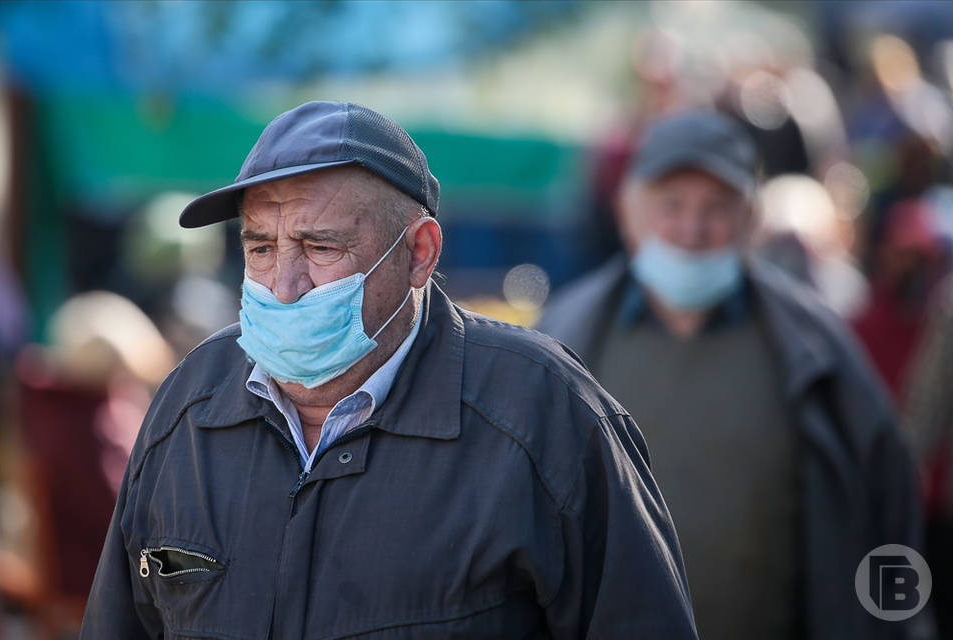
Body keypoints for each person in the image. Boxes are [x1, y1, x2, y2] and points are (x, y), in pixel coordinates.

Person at [79, 101, 698, 639]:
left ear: (419, 253)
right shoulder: (190, 404)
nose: (284, 286)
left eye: (322, 247)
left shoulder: (543, 416)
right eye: (260, 246)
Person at [537, 111, 928, 640]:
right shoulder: (562, 341)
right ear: (628, 212)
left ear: (750, 218)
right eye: (670, 206)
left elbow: (889, 509)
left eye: (716, 208)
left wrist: (901, 627)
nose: (692, 229)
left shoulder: (818, 349)